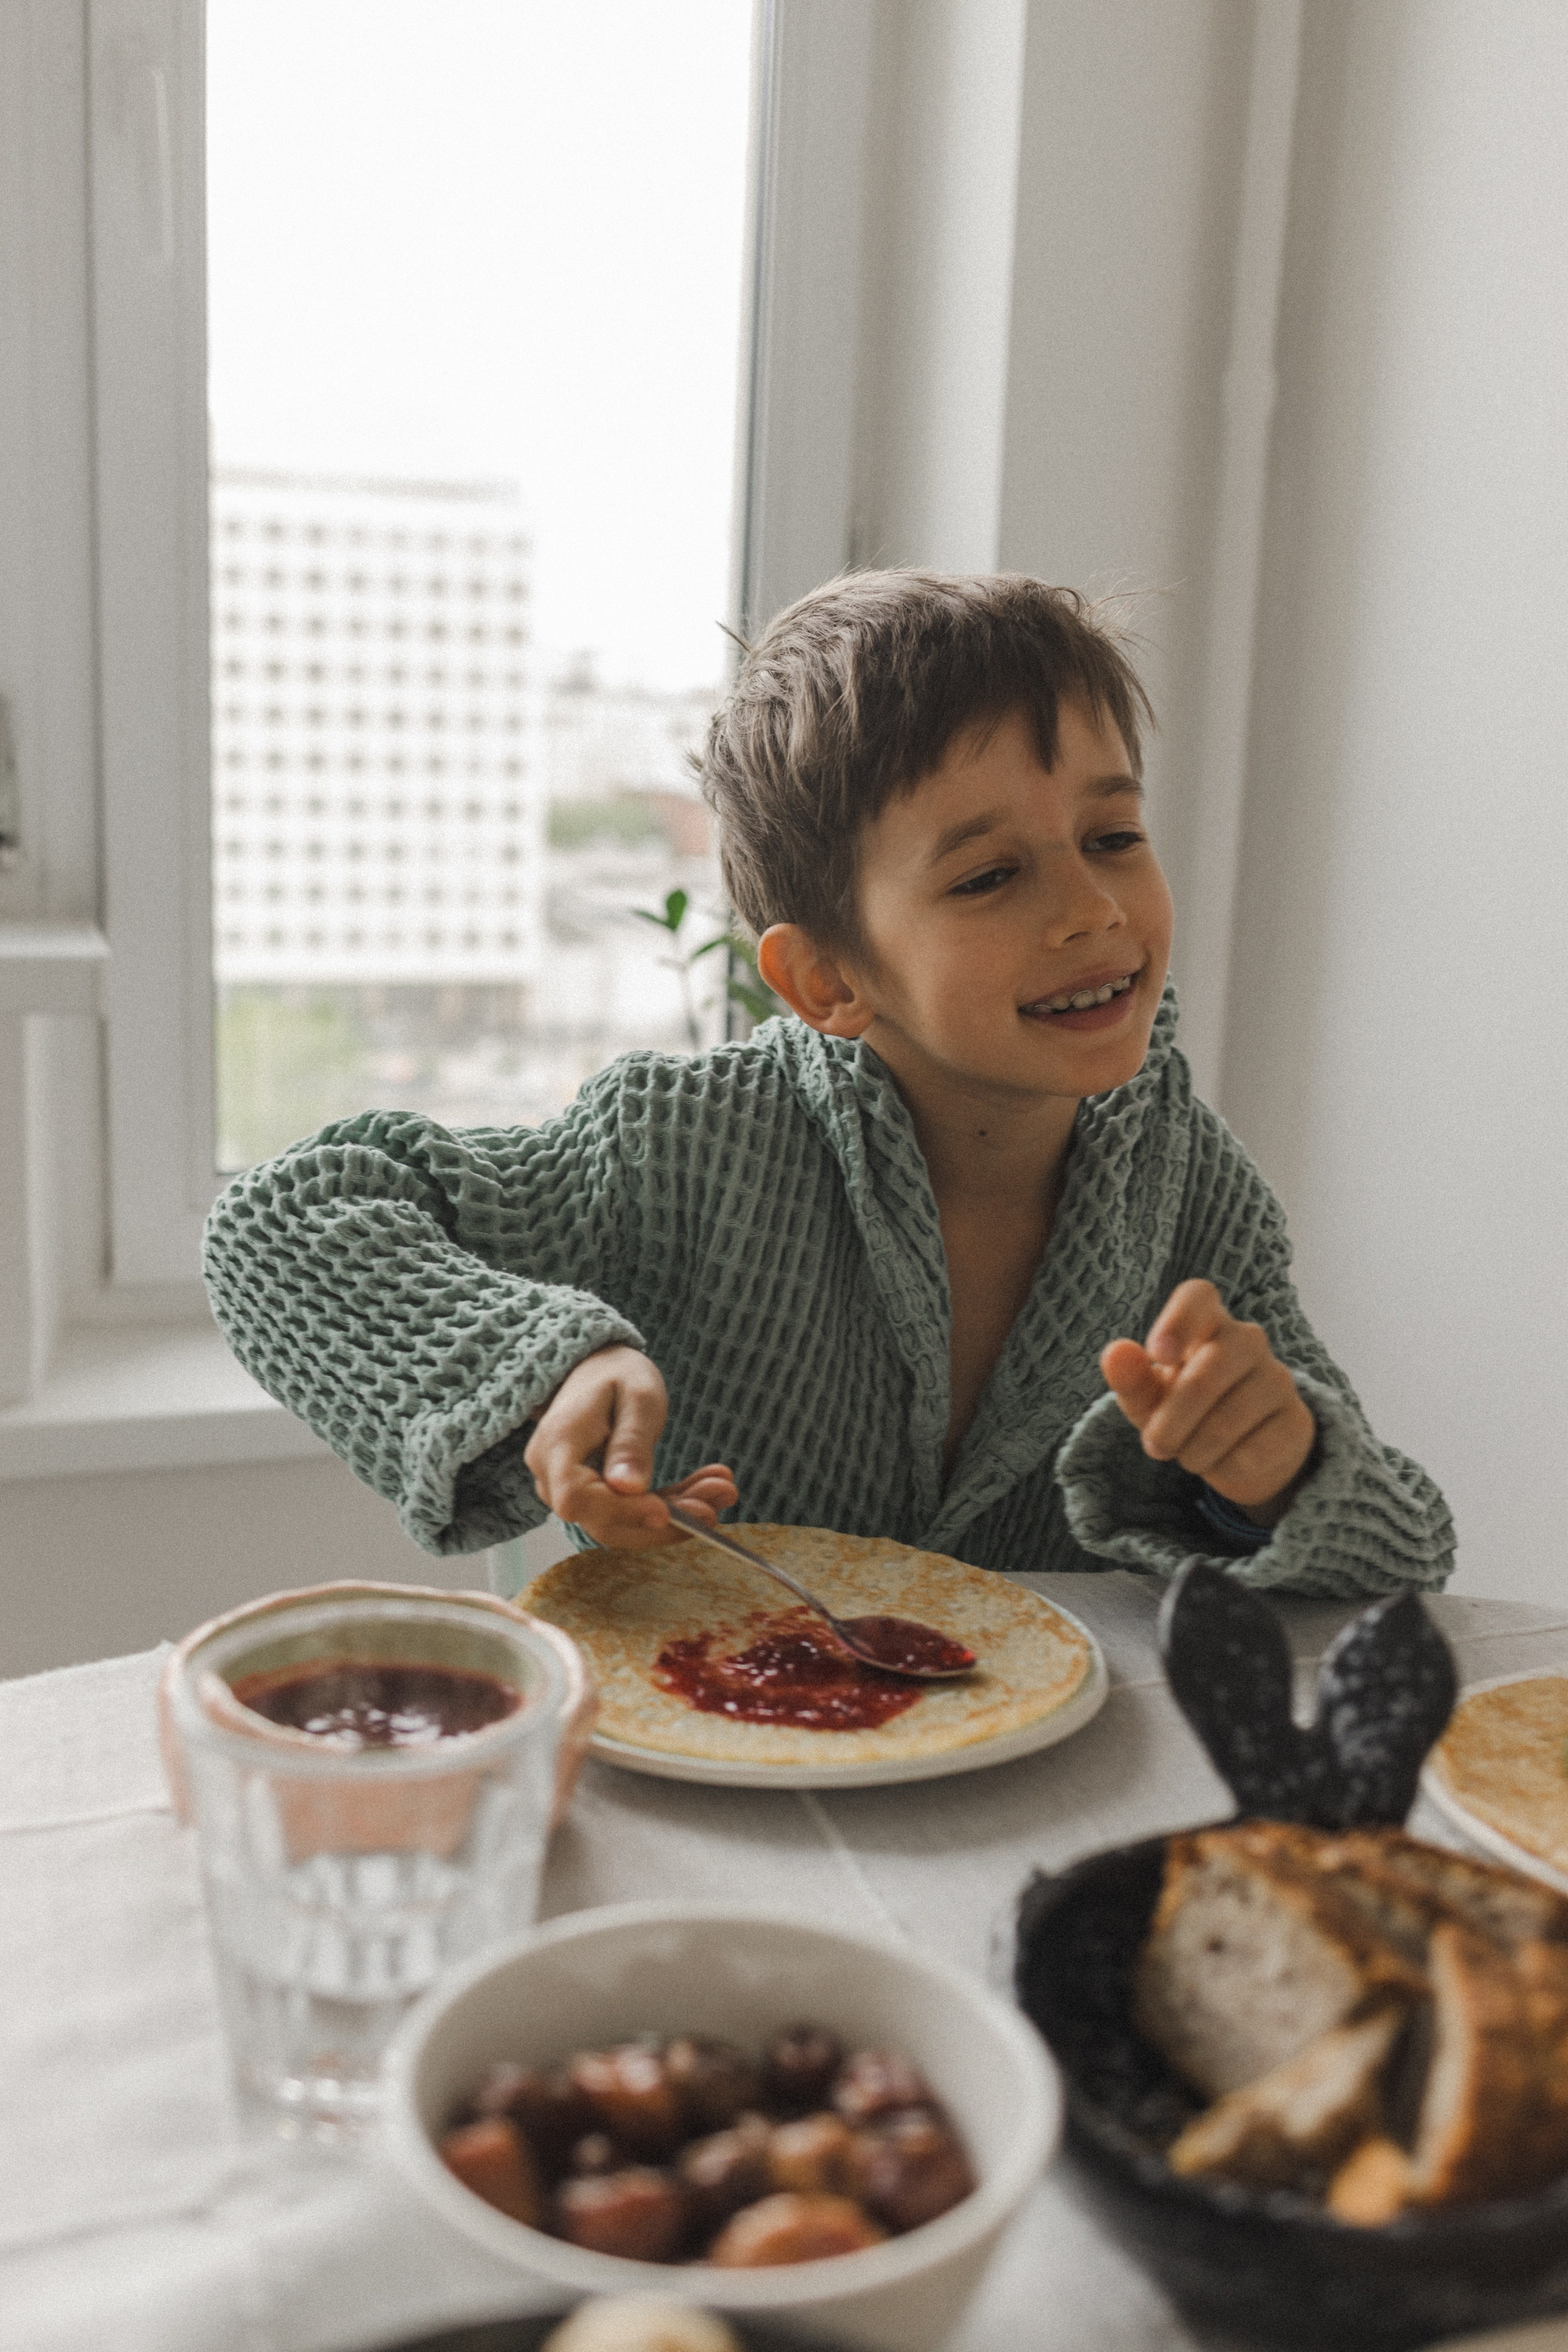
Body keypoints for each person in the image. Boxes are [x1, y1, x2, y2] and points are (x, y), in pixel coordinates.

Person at [203, 571, 1452, 1600]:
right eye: (985, 877)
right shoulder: (677, 1149)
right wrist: (548, 1366)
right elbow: (277, 1224)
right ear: (824, 981)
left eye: (1111, 837)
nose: (1089, 909)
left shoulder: (1192, 1199)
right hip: (714, 1789)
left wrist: (1282, 1474)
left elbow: (1411, 1561)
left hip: (1035, 1804)